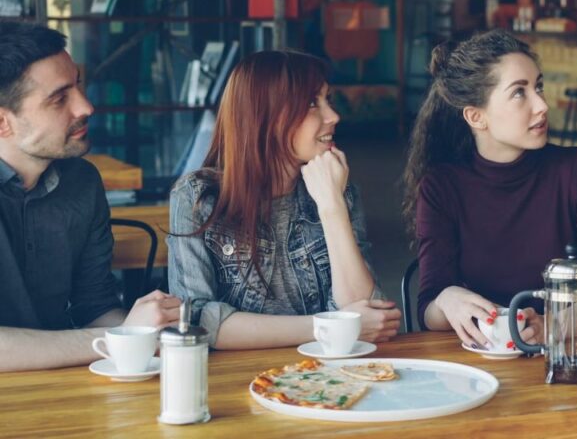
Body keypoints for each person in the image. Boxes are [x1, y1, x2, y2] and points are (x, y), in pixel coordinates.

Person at [403, 29, 577, 348]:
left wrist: (551, 326)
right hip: (479, 365)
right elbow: (428, 309)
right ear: (476, 116)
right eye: (519, 93)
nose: (542, 105)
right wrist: (446, 300)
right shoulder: (442, 187)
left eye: (538, 87)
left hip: (564, 359)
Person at [168, 50, 400, 349]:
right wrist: (324, 327)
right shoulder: (197, 198)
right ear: (266, 116)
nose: (333, 116)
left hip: (324, 377)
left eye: (327, 100)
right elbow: (194, 320)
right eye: (312, 103)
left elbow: (368, 317)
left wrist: (332, 208)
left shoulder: (335, 188)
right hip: (239, 380)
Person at [0, 22, 180, 372]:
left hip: (65, 389)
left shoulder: (81, 182)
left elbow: (94, 307)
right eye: (59, 98)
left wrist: (151, 331)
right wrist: (123, 336)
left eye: (78, 85)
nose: (86, 106)